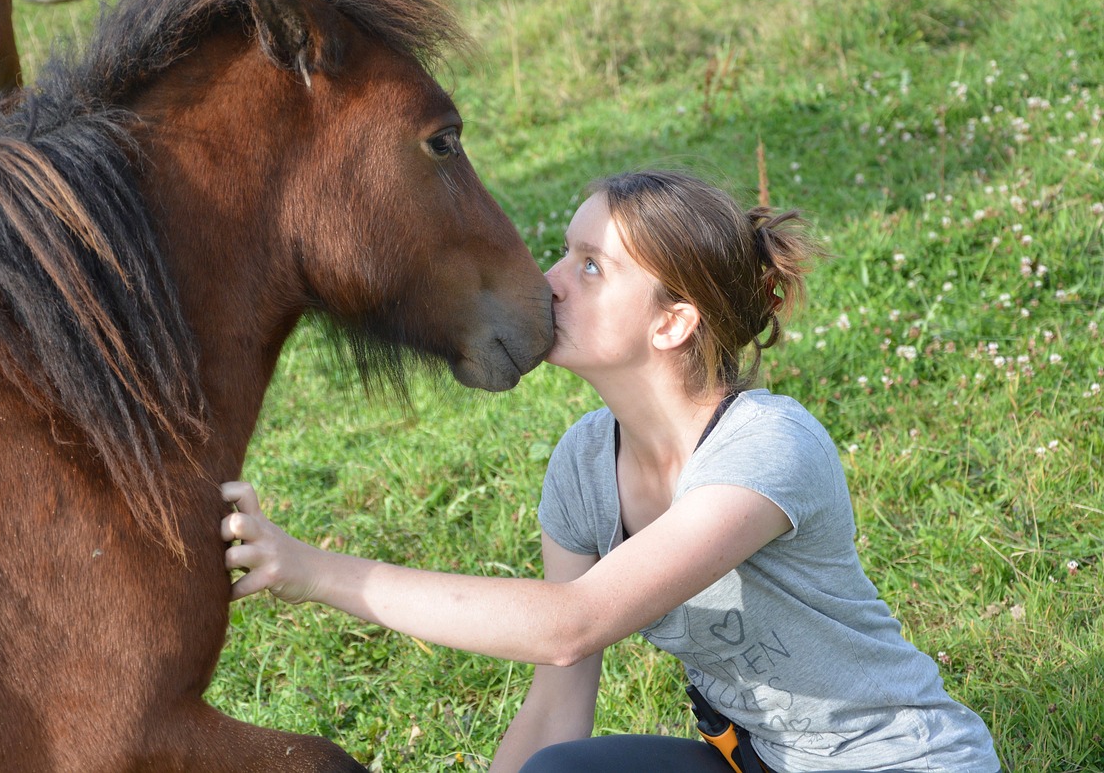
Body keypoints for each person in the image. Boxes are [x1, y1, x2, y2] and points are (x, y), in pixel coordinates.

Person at [221, 169, 1001, 773]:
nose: (550, 278)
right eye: (566, 251)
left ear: (673, 319)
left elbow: (569, 625)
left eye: (591, 266)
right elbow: (559, 700)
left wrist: (313, 570)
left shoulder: (768, 445)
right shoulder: (584, 465)